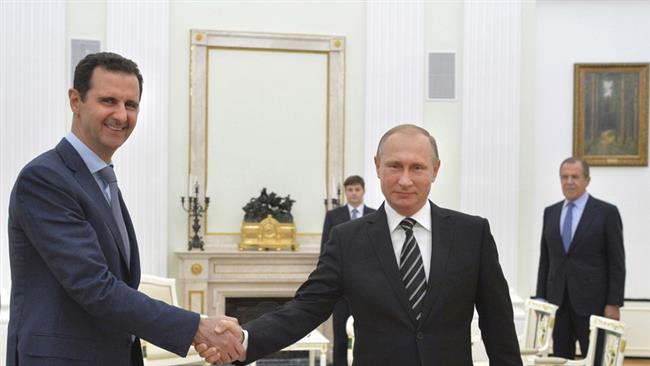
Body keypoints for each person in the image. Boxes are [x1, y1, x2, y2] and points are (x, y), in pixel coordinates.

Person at [199, 124, 522, 365]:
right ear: (378, 166)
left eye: (417, 167)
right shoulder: (348, 239)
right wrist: (244, 339)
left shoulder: (471, 234)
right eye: (395, 166)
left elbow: (498, 325)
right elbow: (304, 309)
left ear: (435, 170)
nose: (405, 179)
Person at [6, 52, 243, 366]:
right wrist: (196, 327)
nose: (121, 115)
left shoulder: (101, 181)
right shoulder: (46, 179)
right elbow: (94, 285)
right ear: (75, 101)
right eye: (108, 101)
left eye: (131, 105)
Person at [536, 157, 625, 359]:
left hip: (594, 304)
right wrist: (541, 298)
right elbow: (546, 260)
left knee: (596, 358)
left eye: (575, 177)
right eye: (564, 177)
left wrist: (614, 303)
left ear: (587, 180)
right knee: (560, 358)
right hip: (557, 303)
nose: (569, 182)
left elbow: (617, 263)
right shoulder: (551, 212)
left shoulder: (606, 213)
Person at [320, 175, 375, 366]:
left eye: (357, 189)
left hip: (368, 287)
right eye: (350, 190)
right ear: (346, 192)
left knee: (367, 335)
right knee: (340, 336)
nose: (353, 193)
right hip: (341, 287)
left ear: (363, 191)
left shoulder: (374, 215)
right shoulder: (333, 216)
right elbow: (325, 250)